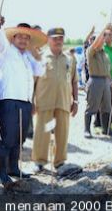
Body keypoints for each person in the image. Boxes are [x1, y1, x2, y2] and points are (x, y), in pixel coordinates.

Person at [0, 16, 45, 188]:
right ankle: (0, 173)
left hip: (25, 102)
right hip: (8, 101)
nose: (23, 40)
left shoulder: (27, 57)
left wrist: (34, 50)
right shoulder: (6, 51)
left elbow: (40, 69)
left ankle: (13, 168)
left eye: (27, 37)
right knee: (7, 138)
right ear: (13, 38)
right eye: (20, 36)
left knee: (19, 138)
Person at [32, 27, 78, 173]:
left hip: (63, 102)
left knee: (62, 132)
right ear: (48, 39)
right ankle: (39, 161)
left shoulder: (70, 59)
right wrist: (31, 101)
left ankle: (59, 162)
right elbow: (32, 81)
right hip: (45, 101)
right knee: (43, 132)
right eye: (55, 38)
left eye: (61, 38)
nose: (58, 41)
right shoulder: (40, 57)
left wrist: (75, 101)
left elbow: (74, 81)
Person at [84, 24, 112, 138]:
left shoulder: (104, 54)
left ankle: (106, 129)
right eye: (101, 38)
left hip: (105, 82)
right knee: (92, 106)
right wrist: (105, 26)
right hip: (95, 80)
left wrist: (111, 82)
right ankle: (87, 130)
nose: (102, 41)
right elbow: (97, 41)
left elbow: (107, 71)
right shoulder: (91, 51)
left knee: (106, 107)